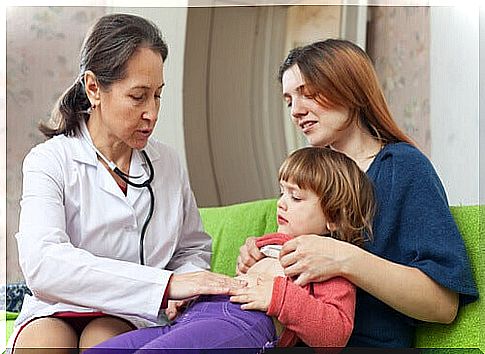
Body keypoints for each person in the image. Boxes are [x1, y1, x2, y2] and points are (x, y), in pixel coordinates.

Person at [8, 13, 244, 353]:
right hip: (56, 307)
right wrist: (166, 285)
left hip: (132, 312)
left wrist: (185, 287)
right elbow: (43, 263)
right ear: (94, 89)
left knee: (104, 339)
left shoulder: (168, 164)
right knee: (45, 342)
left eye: (158, 95)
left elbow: (191, 249)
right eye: (138, 96)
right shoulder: (49, 161)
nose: (152, 112)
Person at [237, 39, 479, 348]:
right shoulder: (314, 175)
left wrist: (344, 258)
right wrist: (263, 256)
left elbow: (443, 305)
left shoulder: (402, 167)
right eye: (288, 101)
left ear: (348, 87)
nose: (296, 111)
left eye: (307, 93)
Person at [86, 146, 376, 352]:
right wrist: (194, 296)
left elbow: (334, 335)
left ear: (334, 218)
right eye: (282, 192)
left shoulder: (329, 263)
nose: (281, 203)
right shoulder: (267, 244)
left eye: (296, 197)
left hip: (244, 325)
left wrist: (277, 296)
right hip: (195, 317)